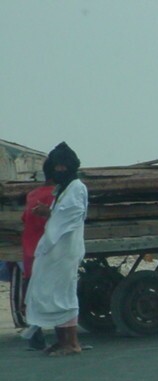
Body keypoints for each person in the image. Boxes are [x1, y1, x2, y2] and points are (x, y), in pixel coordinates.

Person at [25, 142, 88, 356]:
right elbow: (59, 213)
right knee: (52, 293)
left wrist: (53, 215)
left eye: (63, 166)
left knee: (64, 294)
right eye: (56, 167)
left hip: (65, 249)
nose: (59, 170)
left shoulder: (77, 187)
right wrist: (48, 212)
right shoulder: (62, 189)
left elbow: (71, 214)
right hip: (55, 249)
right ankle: (62, 341)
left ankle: (72, 343)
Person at [20, 157, 56, 350]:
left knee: (32, 293)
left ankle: (35, 334)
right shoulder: (57, 195)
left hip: (29, 250)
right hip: (47, 251)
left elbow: (25, 218)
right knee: (57, 293)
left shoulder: (32, 194)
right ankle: (64, 336)